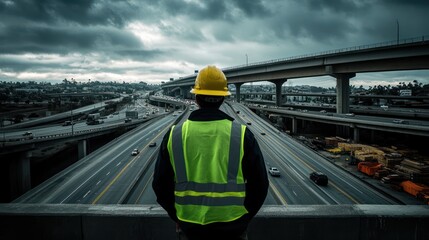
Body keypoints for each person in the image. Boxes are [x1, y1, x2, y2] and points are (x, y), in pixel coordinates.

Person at [152, 65, 268, 240]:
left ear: (196, 97)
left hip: (189, 228)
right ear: (223, 99)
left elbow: (160, 185)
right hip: (233, 228)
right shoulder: (242, 135)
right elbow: (260, 185)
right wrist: (243, 219)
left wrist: (178, 217)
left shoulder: (175, 135)